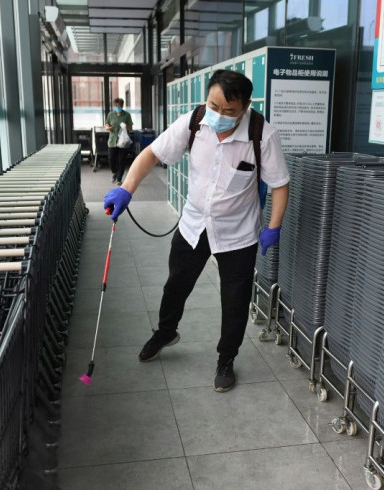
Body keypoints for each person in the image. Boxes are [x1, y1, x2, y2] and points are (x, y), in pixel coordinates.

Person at [103, 69, 289, 393]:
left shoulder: (262, 135)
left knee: (234, 300)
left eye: (228, 111)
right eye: (213, 105)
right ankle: (165, 332)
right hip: (193, 225)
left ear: (245, 107)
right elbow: (152, 154)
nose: (218, 115)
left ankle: (226, 360)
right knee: (176, 285)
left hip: (238, 233)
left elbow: (280, 184)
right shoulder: (194, 121)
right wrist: (126, 189)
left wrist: (274, 227)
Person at [105, 98, 133, 185]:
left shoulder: (127, 115)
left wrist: (126, 126)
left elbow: (131, 128)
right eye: (117, 106)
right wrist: (108, 128)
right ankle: (115, 172)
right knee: (111, 158)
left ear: (122, 105)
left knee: (121, 160)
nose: (118, 107)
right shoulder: (111, 114)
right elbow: (106, 125)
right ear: (114, 105)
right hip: (112, 141)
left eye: (120, 105)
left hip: (123, 142)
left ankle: (119, 179)